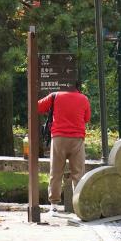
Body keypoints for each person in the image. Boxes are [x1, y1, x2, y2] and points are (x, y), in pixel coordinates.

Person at [38, 80, 91, 218]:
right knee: (78, 174)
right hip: (77, 139)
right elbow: (86, 118)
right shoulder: (84, 99)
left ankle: (54, 207)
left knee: (56, 172)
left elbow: (38, 106)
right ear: (78, 86)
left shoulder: (55, 95)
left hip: (59, 138)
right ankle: (78, 207)